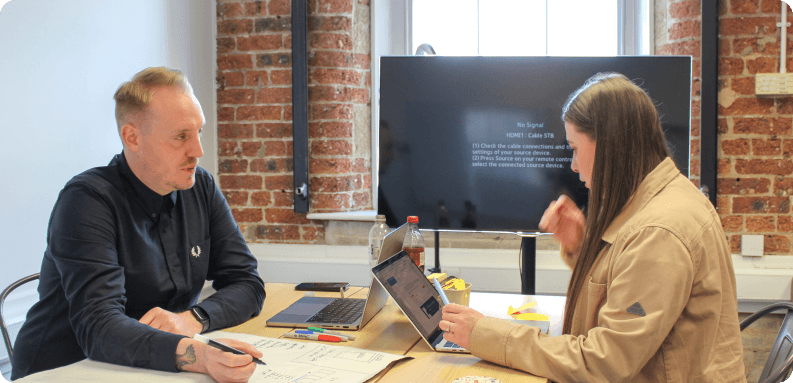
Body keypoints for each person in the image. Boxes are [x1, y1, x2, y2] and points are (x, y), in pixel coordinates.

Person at [440, 73, 747, 382]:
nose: (573, 165)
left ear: (610, 147)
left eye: (575, 148)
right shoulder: (657, 200)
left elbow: (604, 362)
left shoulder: (659, 231)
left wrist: (485, 334)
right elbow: (624, 291)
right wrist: (581, 247)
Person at [11, 67, 266, 382]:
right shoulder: (86, 201)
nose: (198, 152)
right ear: (132, 137)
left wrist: (193, 319)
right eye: (180, 137)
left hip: (153, 368)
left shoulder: (200, 187)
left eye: (199, 132)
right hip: (68, 369)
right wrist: (198, 354)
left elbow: (248, 284)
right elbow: (100, 327)